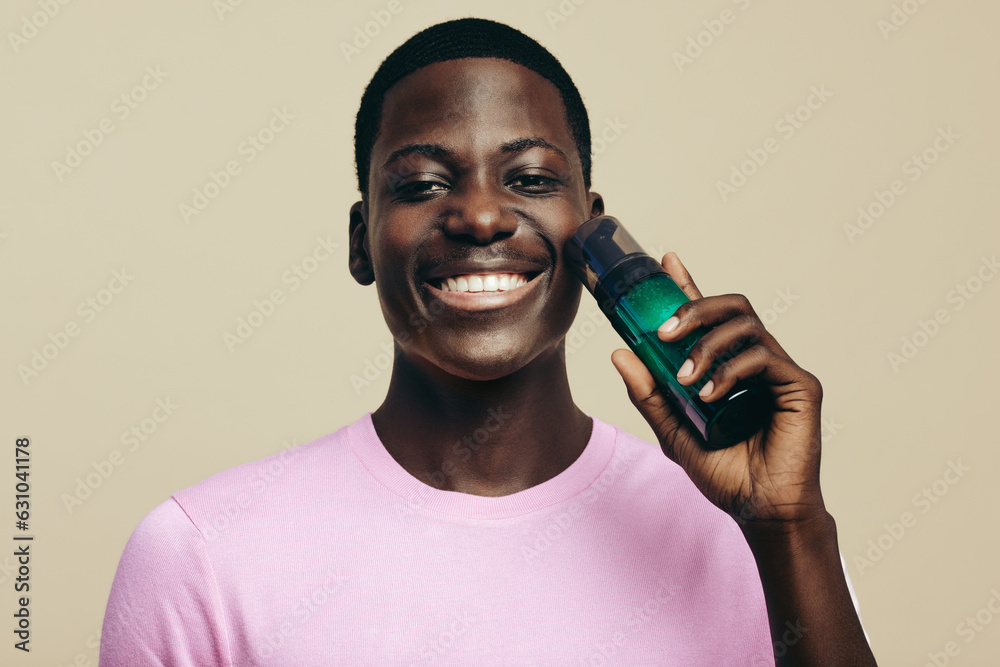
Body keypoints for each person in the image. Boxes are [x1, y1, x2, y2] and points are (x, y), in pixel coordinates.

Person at [99, 17, 877, 666]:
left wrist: (790, 529)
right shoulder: (200, 554)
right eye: (422, 184)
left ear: (593, 225)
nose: (480, 217)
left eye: (532, 179)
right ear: (361, 240)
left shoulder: (756, 539)